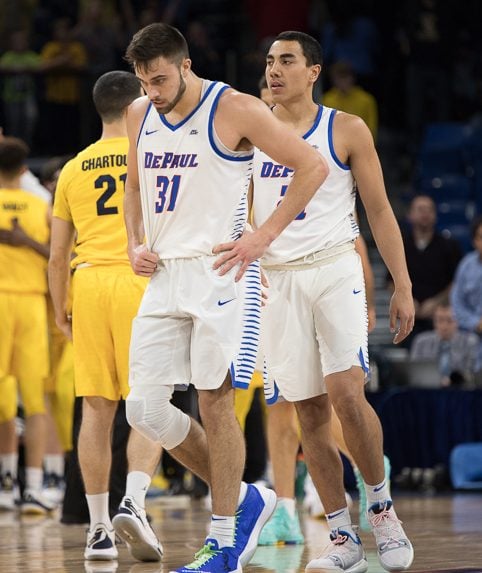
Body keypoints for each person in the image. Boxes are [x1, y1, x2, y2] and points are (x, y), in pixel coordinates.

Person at [122, 22, 327, 573]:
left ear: (185, 65)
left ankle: (223, 542)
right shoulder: (140, 113)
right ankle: (247, 496)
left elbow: (312, 165)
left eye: (160, 79)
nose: (151, 92)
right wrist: (133, 242)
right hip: (164, 274)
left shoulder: (233, 107)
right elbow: (134, 185)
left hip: (221, 273)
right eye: (143, 81)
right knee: (143, 407)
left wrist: (261, 237)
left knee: (214, 401)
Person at [251, 31, 415, 572]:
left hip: (334, 266)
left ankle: (383, 509)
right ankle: (341, 535)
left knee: (346, 392)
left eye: (287, 61)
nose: (275, 70)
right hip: (277, 278)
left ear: (314, 71)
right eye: (271, 61)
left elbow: (381, 211)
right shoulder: (250, 131)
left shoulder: (345, 128)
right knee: (308, 412)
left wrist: (402, 283)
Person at [48, 71, 163, 562]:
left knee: (96, 409)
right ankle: (133, 501)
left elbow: (56, 256)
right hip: (142, 281)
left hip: (89, 283)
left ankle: (98, 530)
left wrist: (60, 311)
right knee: (150, 403)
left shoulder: (72, 168)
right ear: (139, 103)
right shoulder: (155, 157)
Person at [0, 137, 55, 514]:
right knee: (35, 400)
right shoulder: (41, 205)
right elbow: (58, 254)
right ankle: (34, 485)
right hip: (32, 304)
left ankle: (6, 484)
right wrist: (28, 241)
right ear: (25, 170)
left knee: (3, 398)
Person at [388, 194, 462, 343]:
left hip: (439, 315)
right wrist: (406, 299)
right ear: (409, 215)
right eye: (420, 209)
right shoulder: (400, 245)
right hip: (408, 314)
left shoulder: (449, 245)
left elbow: (456, 282)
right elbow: (390, 280)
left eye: (429, 210)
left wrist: (436, 303)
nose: (425, 214)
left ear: (435, 215)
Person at [410, 301, 479, 386]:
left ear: (458, 321)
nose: (444, 326)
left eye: (449, 321)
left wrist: (453, 380)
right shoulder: (421, 341)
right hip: (428, 389)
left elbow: (473, 373)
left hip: (461, 391)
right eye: (440, 320)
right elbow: (414, 372)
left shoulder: (470, 342)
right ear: (434, 321)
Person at [450, 215, 482, 374]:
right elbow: (457, 304)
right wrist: (476, 323)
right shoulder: (466, 266)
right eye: (481, 237)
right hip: (472, 335)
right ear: (474, 241)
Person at [322, 60, 378, 142]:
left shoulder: (366, 100)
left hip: (360, 144)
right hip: (334, 145)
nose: (342, 82)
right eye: (338, 78)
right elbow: (324, 127)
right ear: (333, 80)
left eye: (345, 77)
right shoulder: (327, 99)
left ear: (352, 78)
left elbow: (372, 129)